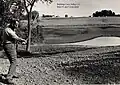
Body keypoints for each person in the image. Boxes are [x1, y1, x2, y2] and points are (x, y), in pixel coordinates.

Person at [3, 19, 27, 84]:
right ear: (12, 24)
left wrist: (21, 41)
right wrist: (23, 40)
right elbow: (15, 37)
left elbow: (14, 38)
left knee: (13, 61)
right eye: (15, 24)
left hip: (10, 45)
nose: (17, 25)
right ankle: (9, 78)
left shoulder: (11, 28)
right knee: (14, 61)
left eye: (17, 24)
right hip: (9, 45)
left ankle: (12, 73)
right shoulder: (8, 30)